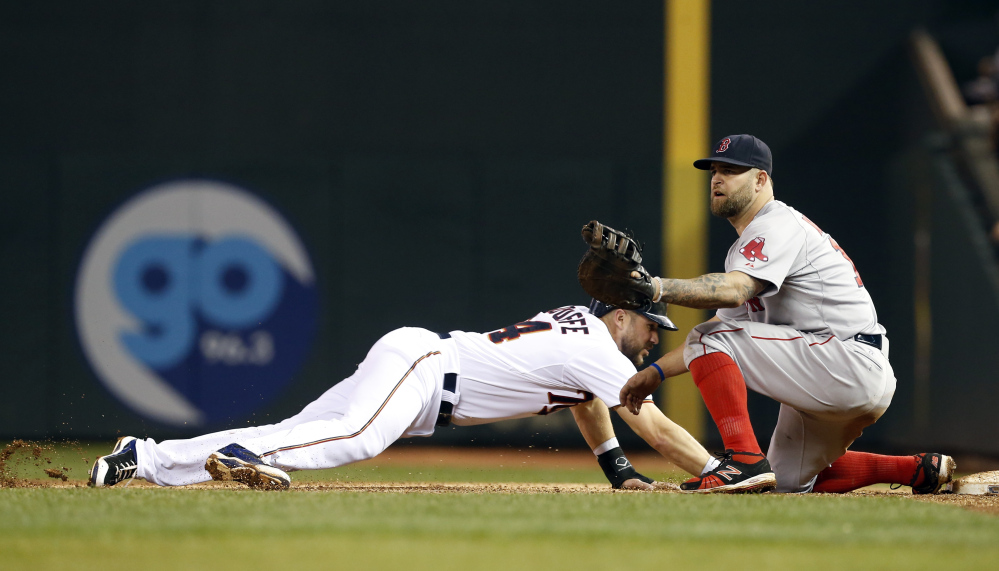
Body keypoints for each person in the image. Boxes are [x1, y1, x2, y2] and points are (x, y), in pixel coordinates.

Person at [620, 134, 956, 494]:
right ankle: (918, 470)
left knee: (708, 340)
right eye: (714, 170)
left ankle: (743, 460)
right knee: (784, 482)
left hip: (845, 360)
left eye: (731, 170)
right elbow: (723, 327)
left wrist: (657, 287)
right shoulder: (748, 244)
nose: (717, 178)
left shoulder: (776, 224)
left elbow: (731, 298)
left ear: (761, 179)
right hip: (842, 372)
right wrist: (655, 372)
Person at [91, 300, 718, 491]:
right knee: (356, 437)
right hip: (424, 369)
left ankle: (140, 456)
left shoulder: (584, 334)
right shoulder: (599, 348)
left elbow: (587, 400)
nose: (650, 343)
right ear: (619, 318)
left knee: (292, 430)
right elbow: (655, 426)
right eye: (649, 328)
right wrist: (719, 472)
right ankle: (246, 459)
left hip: (420, 372)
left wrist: (615, 469)